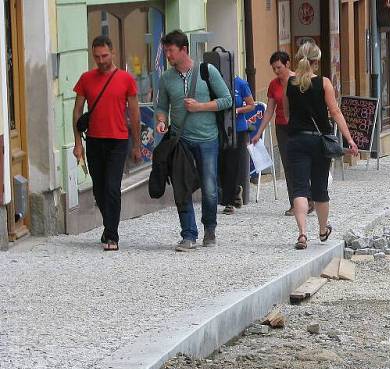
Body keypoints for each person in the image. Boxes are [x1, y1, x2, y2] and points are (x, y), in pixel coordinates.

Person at [154, 30, 232, 252]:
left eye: (170, 50)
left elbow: (227, 100)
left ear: (184, 50)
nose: (167, 55)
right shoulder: (166, 78)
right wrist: (161, 121)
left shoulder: (207, 71)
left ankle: (210, 228)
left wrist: (200, 107)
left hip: (208, 139)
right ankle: (188, 234)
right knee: (182, 187)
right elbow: (161, 107)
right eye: (166, 50)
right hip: (180, 140)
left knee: (209, 188)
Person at [283, 42, 358, 250]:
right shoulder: (324, 83)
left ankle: (302, 234)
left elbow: (286, 113)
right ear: (317, 61)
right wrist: (349, 139)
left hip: (296, 140)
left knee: (299, 189)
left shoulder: (289, 83)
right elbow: (335, 112)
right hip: (318, 141)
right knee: (319, 188)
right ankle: (323, 230)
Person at [72, 35, 141, 252]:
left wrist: (137, 145)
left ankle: (112, 235)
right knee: (99, 190)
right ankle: (108, 224)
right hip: (93, 140)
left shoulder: (125, 79)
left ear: (112, 52)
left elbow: (135, 113)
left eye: (104, 56)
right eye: (96, 57)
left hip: (118, 140)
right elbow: (77, 112)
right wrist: (77, 143)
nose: (101, 61)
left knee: (112, 187)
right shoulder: (86, 78)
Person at [252, 51, 314, 216]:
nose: (276, 71)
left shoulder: (300, 80)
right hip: (283, 128)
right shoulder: (274, 84)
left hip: (300, 127)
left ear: (287, 64)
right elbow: (270, 109)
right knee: (288, 165)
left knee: (303, 163)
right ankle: (295, 203)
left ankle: (308, 197)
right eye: (274, 68)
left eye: (279, 67)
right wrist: (259, 131)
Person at [220, 75, 255, 215]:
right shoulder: (215, 82)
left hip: (237, 129)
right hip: (220, 128)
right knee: (222, 164)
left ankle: (230, 200)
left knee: (232, 163)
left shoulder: (240, 83)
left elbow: (251, 105)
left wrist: (238, 110)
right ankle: (233, 191)